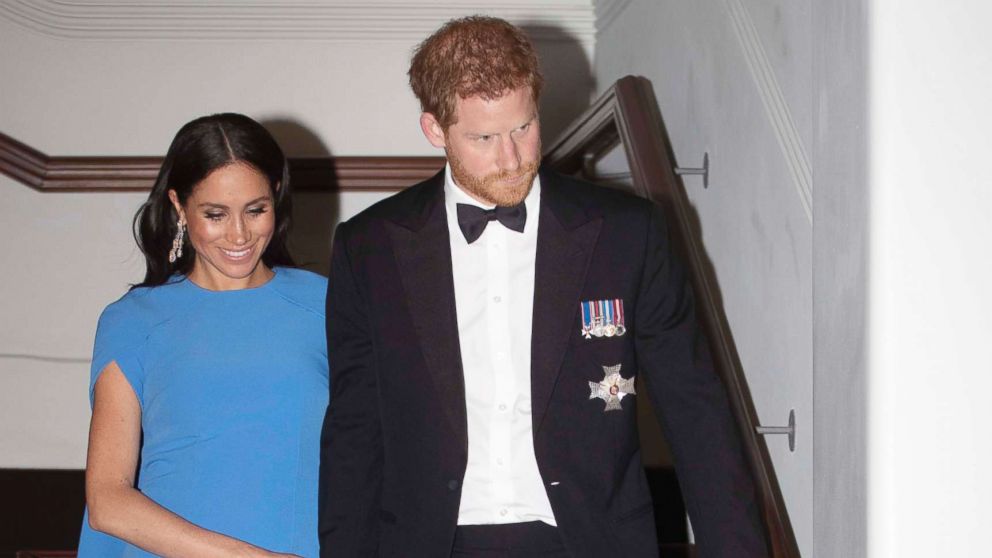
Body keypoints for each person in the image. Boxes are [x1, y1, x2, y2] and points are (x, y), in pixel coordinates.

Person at [318, 15, 768, 558]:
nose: (512, 159)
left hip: (591, 542)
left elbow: (697, 411)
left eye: (524, 127)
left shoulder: (628, 233)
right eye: (483, 137)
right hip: (430, 543)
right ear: (435, 130)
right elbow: (353, 431)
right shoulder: (370, 248)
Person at [78, 113, 327, 557]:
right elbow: (106, 501)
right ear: (178, 205)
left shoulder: (327, 306)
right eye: (215, 214)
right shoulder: (133, 321)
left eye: (256, 210)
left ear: (276, 197)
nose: (239, 235)